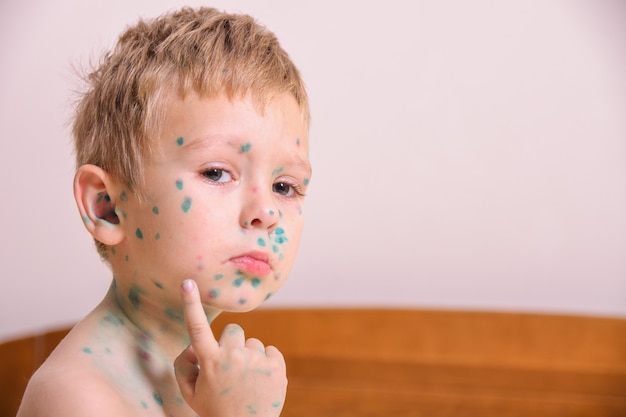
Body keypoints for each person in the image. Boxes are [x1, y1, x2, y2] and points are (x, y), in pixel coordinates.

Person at [17, 6, 311, 417]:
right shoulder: (75, 397)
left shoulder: (221, 383)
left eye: (285, 186)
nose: (265, 211)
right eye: (216, 172)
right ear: (107, 207)